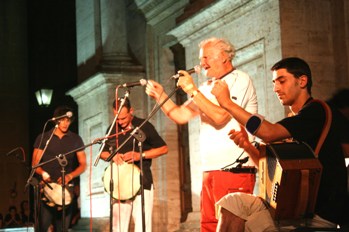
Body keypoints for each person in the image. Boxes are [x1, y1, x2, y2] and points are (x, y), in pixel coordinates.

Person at [210, 57, 349, 231]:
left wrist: (227, 103)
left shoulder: (316, 111)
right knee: (232, 203)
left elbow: (268, 133)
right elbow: (266, 167)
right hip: (290, 206)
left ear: (302, 81)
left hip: (313, 213)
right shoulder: (294, 122)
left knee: (251, 223)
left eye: (282, 81)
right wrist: (246, 145)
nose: (276, 88)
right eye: (274, 83)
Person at [145, 37, 258, 231]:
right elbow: (181, 115)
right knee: (208, 226)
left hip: (233, 169)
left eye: (206, 57)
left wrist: (191, 89)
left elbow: (221, 116)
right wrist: (160, 95)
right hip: (209, 170)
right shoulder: (205, 87)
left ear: (224, 57)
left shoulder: (240, 79)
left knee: (231, 228)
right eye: (200, 58)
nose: (201, 63)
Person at [100, 98, 168, 232]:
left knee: (142, 225)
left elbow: (163, 148)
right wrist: (113, 156)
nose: (120, 122)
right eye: (117, 118)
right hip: (120, 184)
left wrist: (140, 155)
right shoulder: (112, 128)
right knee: (118, 227)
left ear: (131, 111)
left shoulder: (144, 126)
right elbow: (102, 153)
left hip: (142, 181)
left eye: (123, 118)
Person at [31, 106, 87, 232]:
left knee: (63, 228)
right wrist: (43, 173)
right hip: (46, 188)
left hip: (66, 189)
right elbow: (35, 164)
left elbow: (83, 164)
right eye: (62, 120)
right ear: (56, 120)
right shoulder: (44, 138)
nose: (65, 123)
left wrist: (70, 176)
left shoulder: (75, 139)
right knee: (42, 227)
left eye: (68, 120)